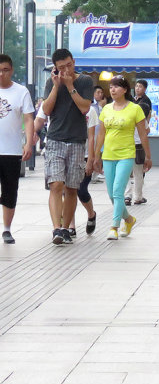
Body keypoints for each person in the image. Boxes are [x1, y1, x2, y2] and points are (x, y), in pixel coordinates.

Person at [41, 48, 94, 245]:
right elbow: (46, 110)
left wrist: (71, 86)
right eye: (61, 67)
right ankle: (56, 228)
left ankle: (65, 229)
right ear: (55, 68)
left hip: (77, 141)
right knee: (56, 184)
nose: (66, 70)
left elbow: (84, 107)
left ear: (74, 61)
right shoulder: (51, 82)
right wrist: (56, 86)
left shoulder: (85, 81)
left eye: (69, 65)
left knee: (72, 188)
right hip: (55, 139)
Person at [94, 76, 152, 240]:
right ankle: (129, 219)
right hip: (108, 155)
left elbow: (143, 134)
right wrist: (96, 155)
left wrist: (148, 155)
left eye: (116, 87)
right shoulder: (106, 109)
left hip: (126, 154)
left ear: (125, 90)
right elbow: (101, 135)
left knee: (118, 192)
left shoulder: (135, 109)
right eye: (111, 87)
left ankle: (114, 227)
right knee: (112, 195)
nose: (112, 90)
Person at [35, 104, 98, 238]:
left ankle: (91, 214)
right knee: (58, 187)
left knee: (77, 190)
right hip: (56, 146)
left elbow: (92, 136)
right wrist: (31, 138)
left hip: (81, 151)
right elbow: (40, 119)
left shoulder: (89, 109)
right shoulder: (53, 100)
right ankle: (67, 227)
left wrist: (92, 158)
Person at [0, 54, 34, 244]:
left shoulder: (21, 92)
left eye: (5, 70)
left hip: (11, 151)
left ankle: (6, 229)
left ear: (11, 70)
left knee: (10, 190)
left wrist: (28, 143)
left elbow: (29, 118)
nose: (2, 74)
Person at [124, 101, 152, 205]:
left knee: (126, 173)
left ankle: (127, 196)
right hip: (139, 147)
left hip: (127, 146)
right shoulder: (141, 118)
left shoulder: (128, 115)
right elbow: (147, 131)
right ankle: (138, 197)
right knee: (138, 173)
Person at [90, 85, 107, 183]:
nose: (100, 94)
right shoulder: (92, 104)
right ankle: (92, 175)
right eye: (98, 92)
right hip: (93, 133)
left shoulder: (101, 105)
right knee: (93, 152)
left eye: (101, 93)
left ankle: (96, 175)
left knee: (99, 153)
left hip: (100, 133)